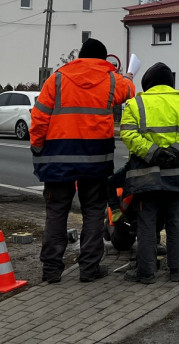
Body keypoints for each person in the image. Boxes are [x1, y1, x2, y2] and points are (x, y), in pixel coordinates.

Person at [30, 38, 135, 284]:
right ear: (103, 59)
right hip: (96, 159)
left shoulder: (56, 79)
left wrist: (37, 146)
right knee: (93, 212)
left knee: (56, 212)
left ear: (80, 56)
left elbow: (39, 117)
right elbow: (130, 91)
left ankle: (51, 272)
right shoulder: (111, 80)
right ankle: (88, 268)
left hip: (58, 158)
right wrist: (127, 76)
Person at [119, 62, 179, 284]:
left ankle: (146, 273)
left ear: (147, 83)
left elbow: (127, 134)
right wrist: (176, 152)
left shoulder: (136, 104)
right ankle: (176, 271)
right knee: (176, 220)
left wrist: (153, 152)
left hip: (146, 174)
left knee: (146, 222)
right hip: (178, 174)